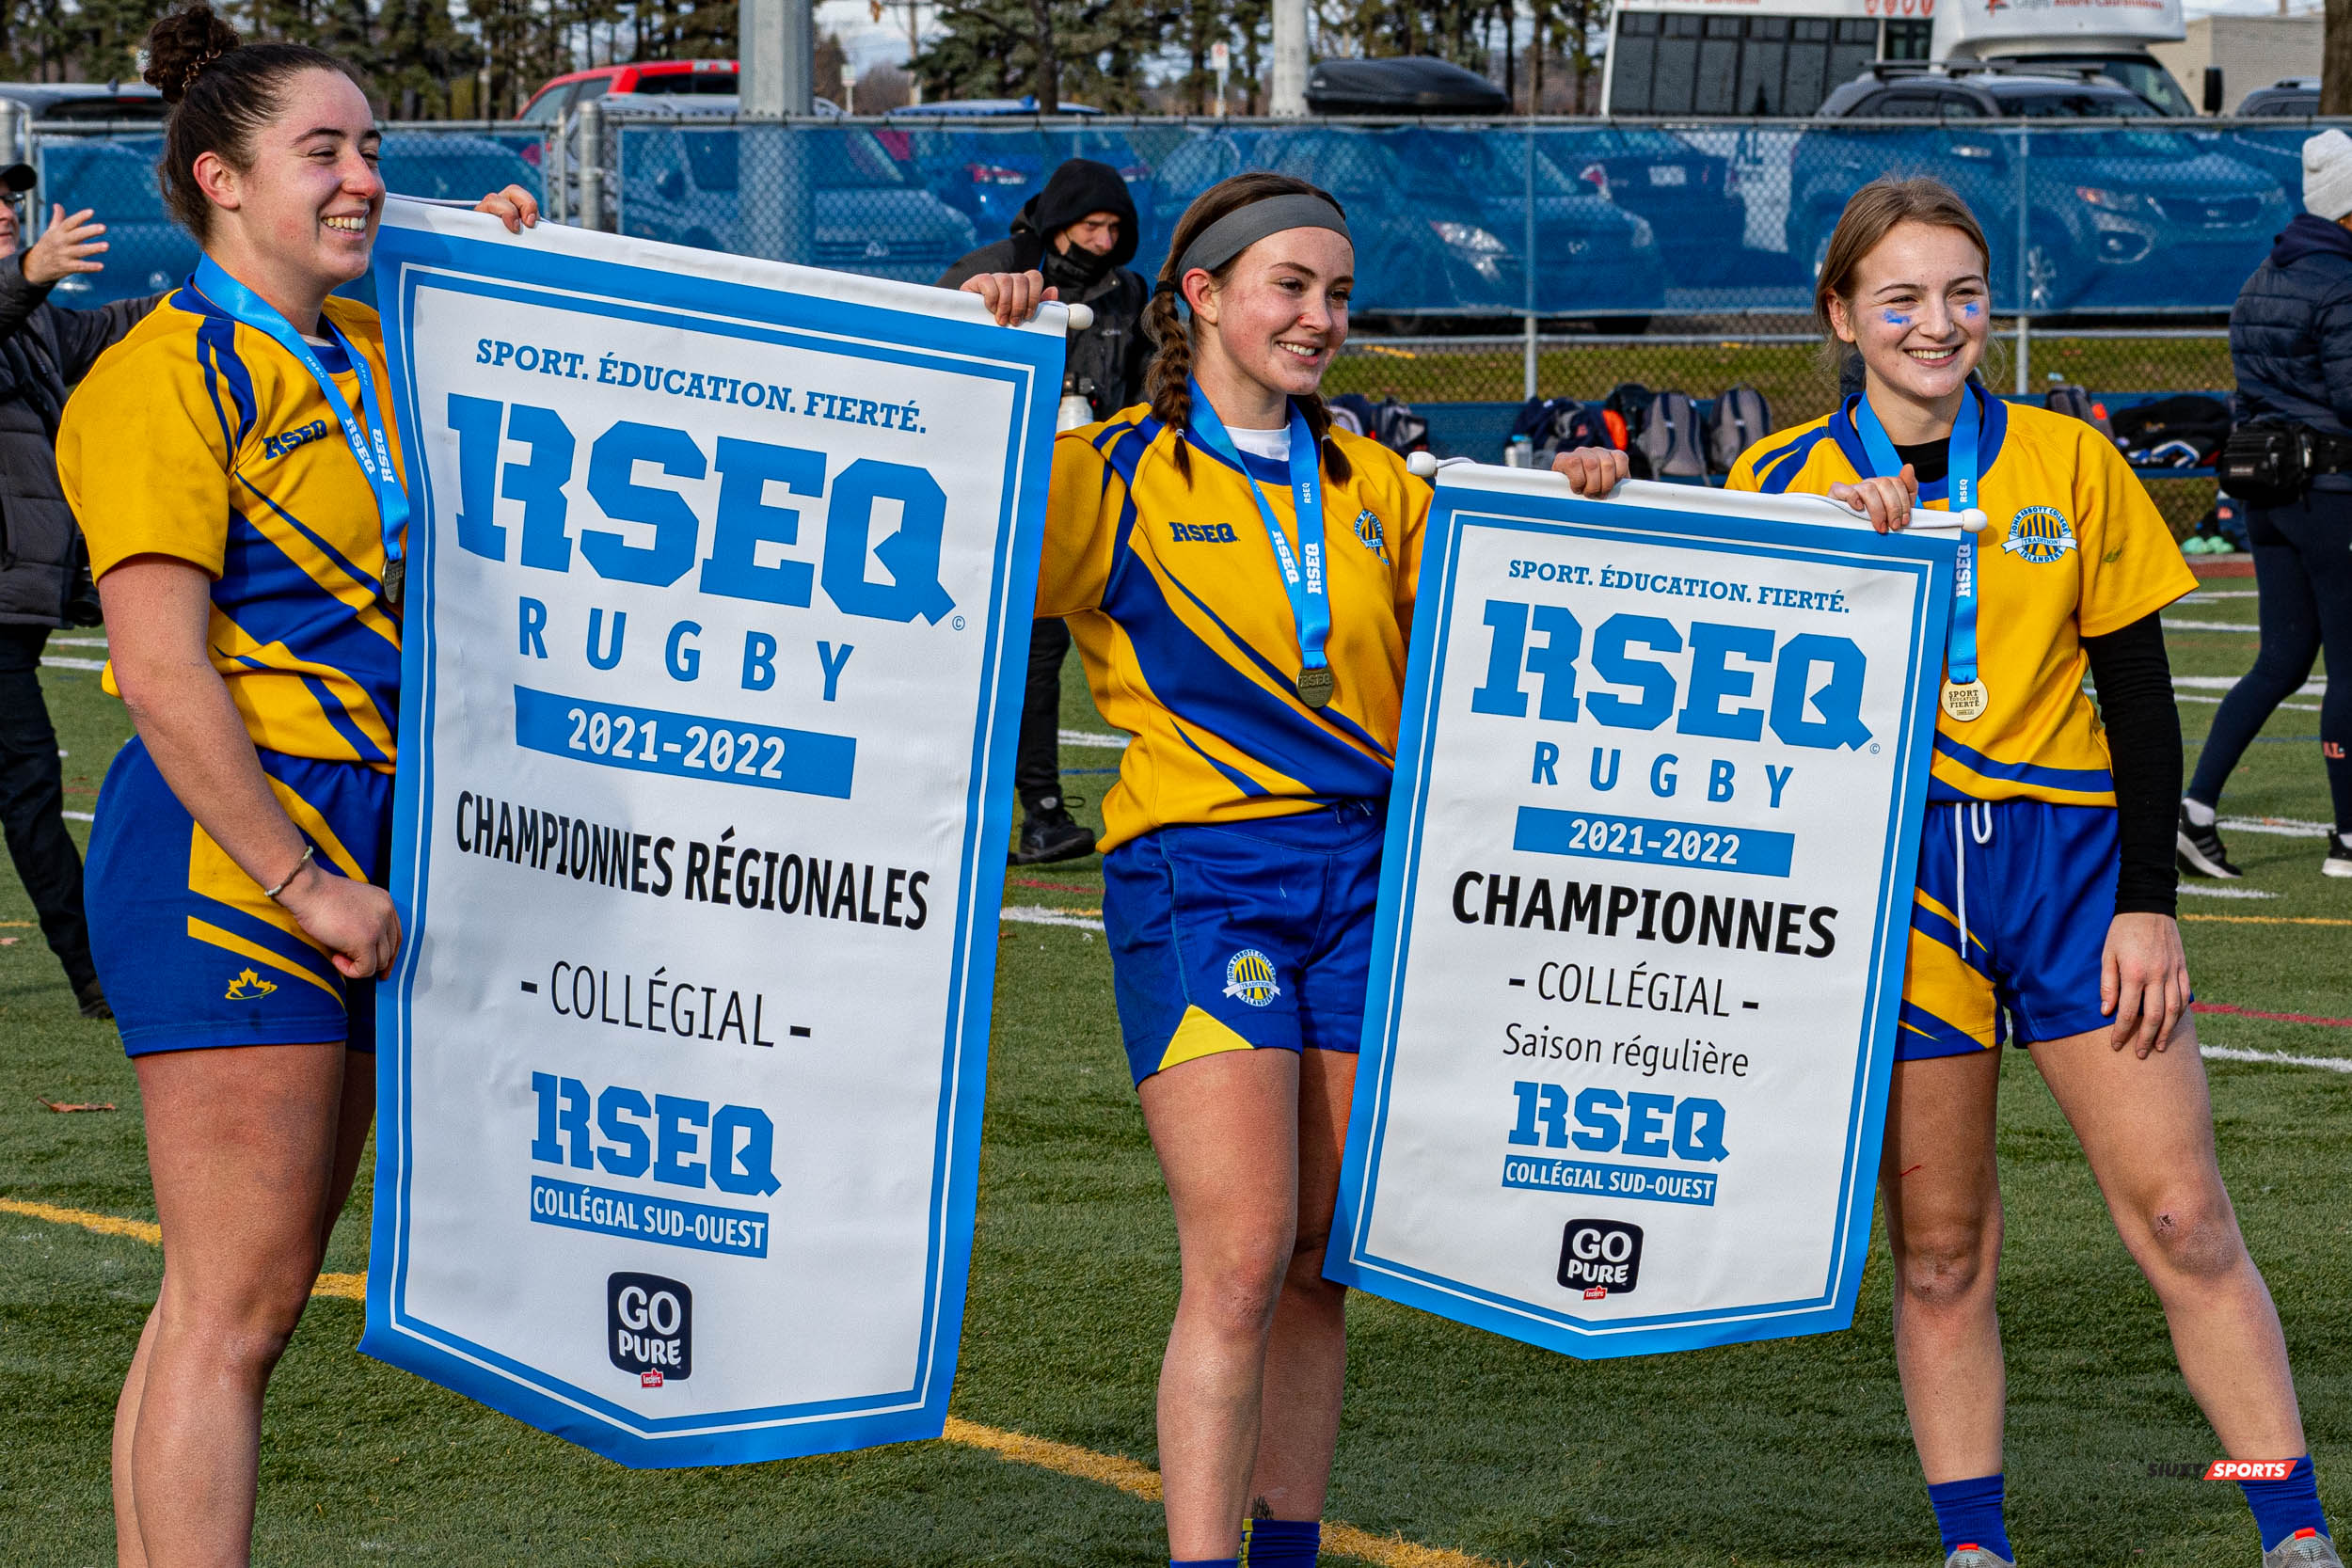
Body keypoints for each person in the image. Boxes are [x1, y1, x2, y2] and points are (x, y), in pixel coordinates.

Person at [962, 172, 1624, 1568]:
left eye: (1336, 294)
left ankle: (1288, 1549)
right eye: (1288, 287)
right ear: (1198, 296)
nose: (1320, 318)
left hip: (1370, 881)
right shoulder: (1118, 474)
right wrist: (977, 347)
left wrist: (1585, 498)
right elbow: (963, 536)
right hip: (1202, 879)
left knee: (1326, 1253)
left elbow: (1531, 599)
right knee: (1247, 1249)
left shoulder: (1379, 481)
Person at [1713, 176, 2333, 1568]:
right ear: (1842, 316)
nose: (1938, 325)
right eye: (1902, 300)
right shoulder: (1779, 485)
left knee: (2184, 1216)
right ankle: (1975, 1545)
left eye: (1962, 295)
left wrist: (2150, 904)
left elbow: (2143, 699)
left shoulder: (2068, 459)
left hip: (2069, 867)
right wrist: (1829, 562)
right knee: (1940, 1249)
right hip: (1897, 886)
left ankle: (2289, 1525)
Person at [54, 8, 539, 1561]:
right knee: (238, 1307)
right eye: (321, 152)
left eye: (374, 151)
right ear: (220, 179)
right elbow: (163, 668)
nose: (361, 180)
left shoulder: (371, 351)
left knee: (230, 1301)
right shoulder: (161, 372)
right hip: (237, 848)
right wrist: (303, 876)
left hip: (364, 829)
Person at [940, 158, 1152, 865]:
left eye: (1115, 227)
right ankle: (983, 812)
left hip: (1088, 493)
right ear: (1061, 222)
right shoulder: (999, 270)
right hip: (989, 484)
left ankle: (1051, 813)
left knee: (1058, 651)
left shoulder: (1130, 294)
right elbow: (933, 349)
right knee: (986, 656)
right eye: (1093, 224)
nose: (1104, 238)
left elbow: (1157, 386)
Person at [0, 182, 168, 1019]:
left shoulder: (31, 319)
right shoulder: (16, 300)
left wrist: (219, 283)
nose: (3, 207)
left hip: (19, 608)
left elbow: (103, 331)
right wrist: (27, 272)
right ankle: (98, 976)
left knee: (22, 788)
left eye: (6, 196)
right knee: (29, 791)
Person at [2178, 126, 2352, 881]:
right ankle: (2349, 839)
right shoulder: (2341, 284)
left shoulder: (2263, 277)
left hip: (2268, 494)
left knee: (2280, 659)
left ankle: (2196, 811)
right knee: (2346, 668)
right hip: (2331, 492)